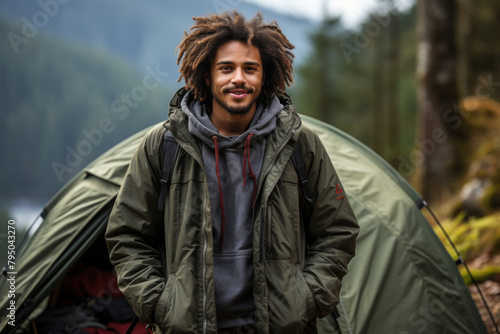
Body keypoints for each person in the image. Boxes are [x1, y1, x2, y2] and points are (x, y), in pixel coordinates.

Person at [105, 10, 359, 334]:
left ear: (264, 77)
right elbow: (127, 233)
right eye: (226, 68)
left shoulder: (299, 144)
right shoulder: (163, 145)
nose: (238, 78)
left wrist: (306, 299)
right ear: (207, 75)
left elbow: (337, 229)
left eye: (250, 69)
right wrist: (159, 304)